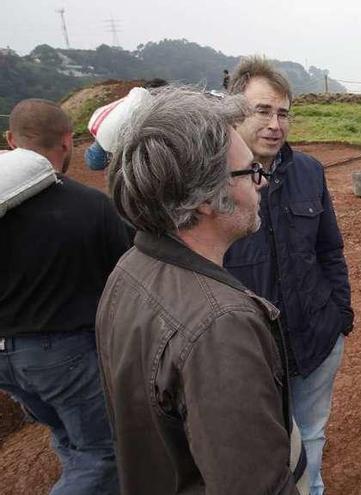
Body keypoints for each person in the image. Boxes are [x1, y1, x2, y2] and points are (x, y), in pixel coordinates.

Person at [96, 86, 307, 494]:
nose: (260, 184)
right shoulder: (220, 325)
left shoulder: (132, 267)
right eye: (250, 173)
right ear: (207, 197)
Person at [223, 56, 353, 495]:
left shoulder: (309, 171)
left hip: (315, 336)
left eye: (283, 113)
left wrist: (341, 314)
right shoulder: (209, 181)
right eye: (262, 110)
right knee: (254, 448)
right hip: (248, 354)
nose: (275, 124)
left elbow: (330, 249)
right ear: (233, 112)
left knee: (311, 436)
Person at [0, 98, 128, 494]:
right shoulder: (91, 206)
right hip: (64, 357)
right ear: (68, 143)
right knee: (103, 454)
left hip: (7, 359)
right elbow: (126, 278)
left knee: (66, 434)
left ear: (10, 139)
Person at [84, 79, 168, 171]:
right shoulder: (150, 104)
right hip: (114, 137)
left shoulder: (136, 96)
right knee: (98, 162)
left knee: (96, 158)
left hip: (103, 126)